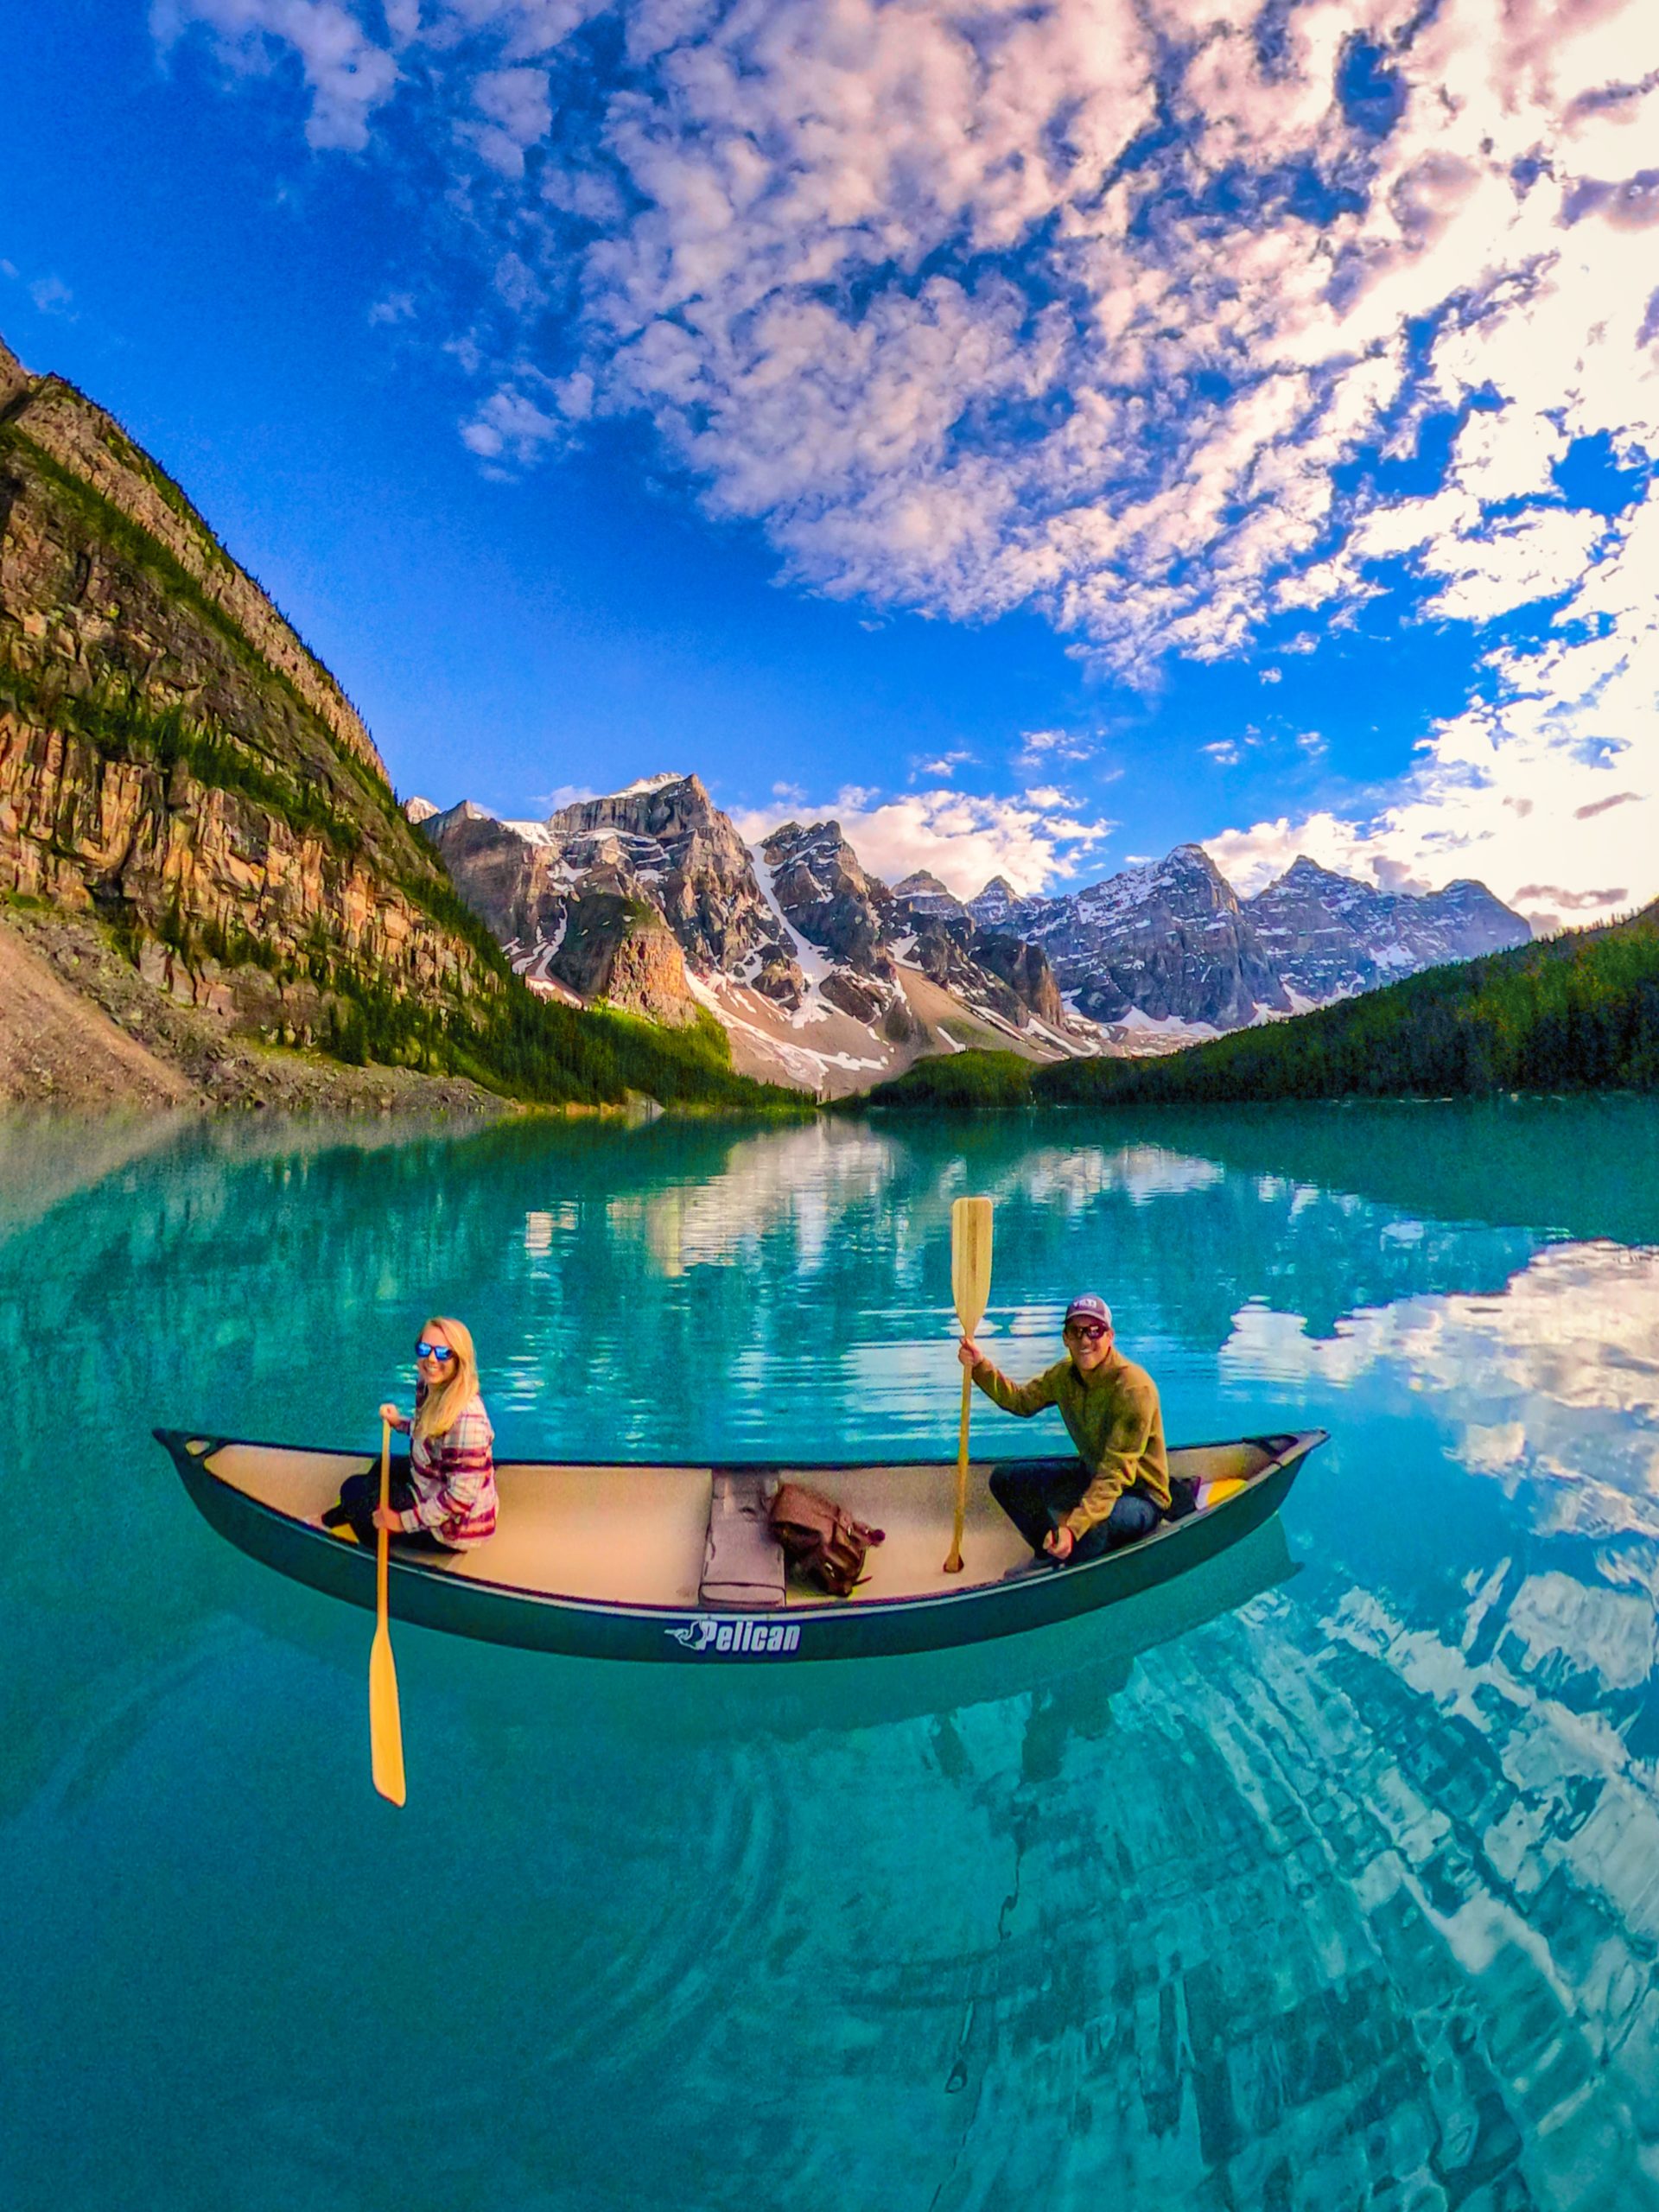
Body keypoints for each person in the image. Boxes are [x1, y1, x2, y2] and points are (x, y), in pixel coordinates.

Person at [958, 1293, 1179, 1566]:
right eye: (1076, 1332)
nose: (1085, 1340)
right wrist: (980, 1365)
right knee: (1006, 1481)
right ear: (1066, 1338)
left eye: (1094, 1331)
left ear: (1110, 1336)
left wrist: (1074, 1527)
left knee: (1094, 1524)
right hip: (1093, 1474)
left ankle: (1070, 1565)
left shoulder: (1135, 1389)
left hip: (1141, 1494)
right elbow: (1020, 1401)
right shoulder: (1063, 1376)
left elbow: (1115, 1473)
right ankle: (1048, 1549)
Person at [322, 1317, 499, 1553]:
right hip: (432, 1479)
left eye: (444, 1353)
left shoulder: (469, 1420)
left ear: (459, 1359)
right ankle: (344, 1516)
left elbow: (459, 1500)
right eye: (425, 1349)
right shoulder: (429, 1383)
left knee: (353, 1490)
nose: (431, 1359)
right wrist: (399, 1423)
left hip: (455, 1526)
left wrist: (399, 1522)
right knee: (379, 1468)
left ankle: (348, 1526)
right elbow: (429, 1431)